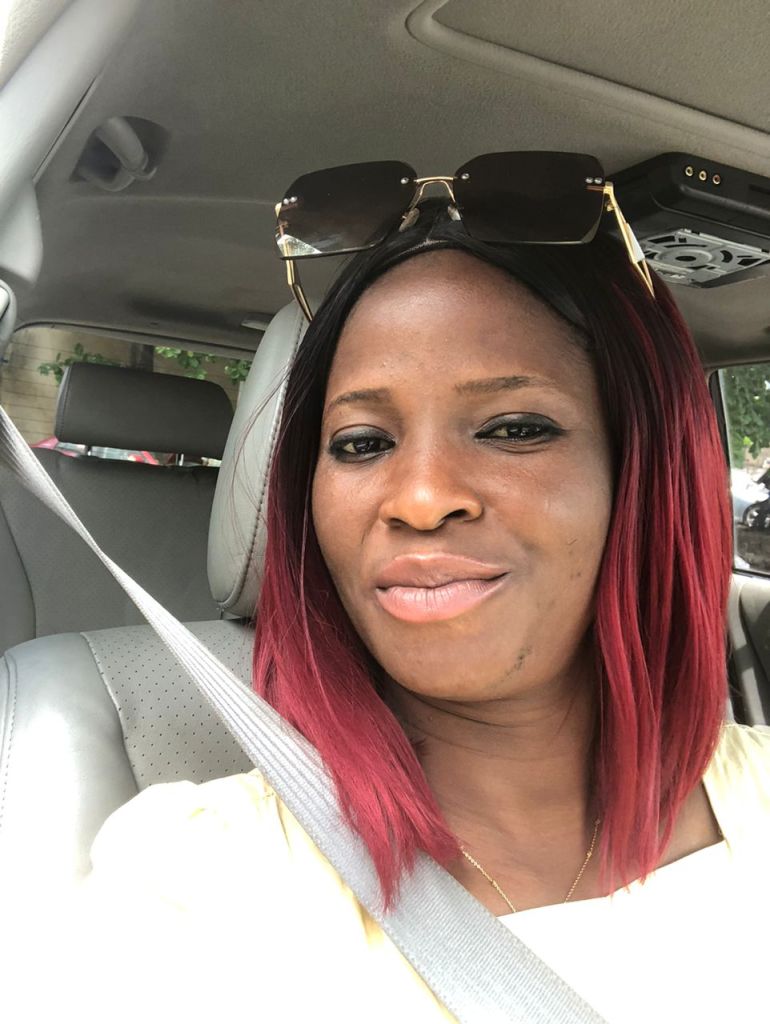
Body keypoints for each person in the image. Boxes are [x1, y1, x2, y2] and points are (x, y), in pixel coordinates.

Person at [20, 191, 770, 1024]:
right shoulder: (196, 880)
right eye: (363, 443)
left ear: (643, 475)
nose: (419, 498)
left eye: (514, 428)